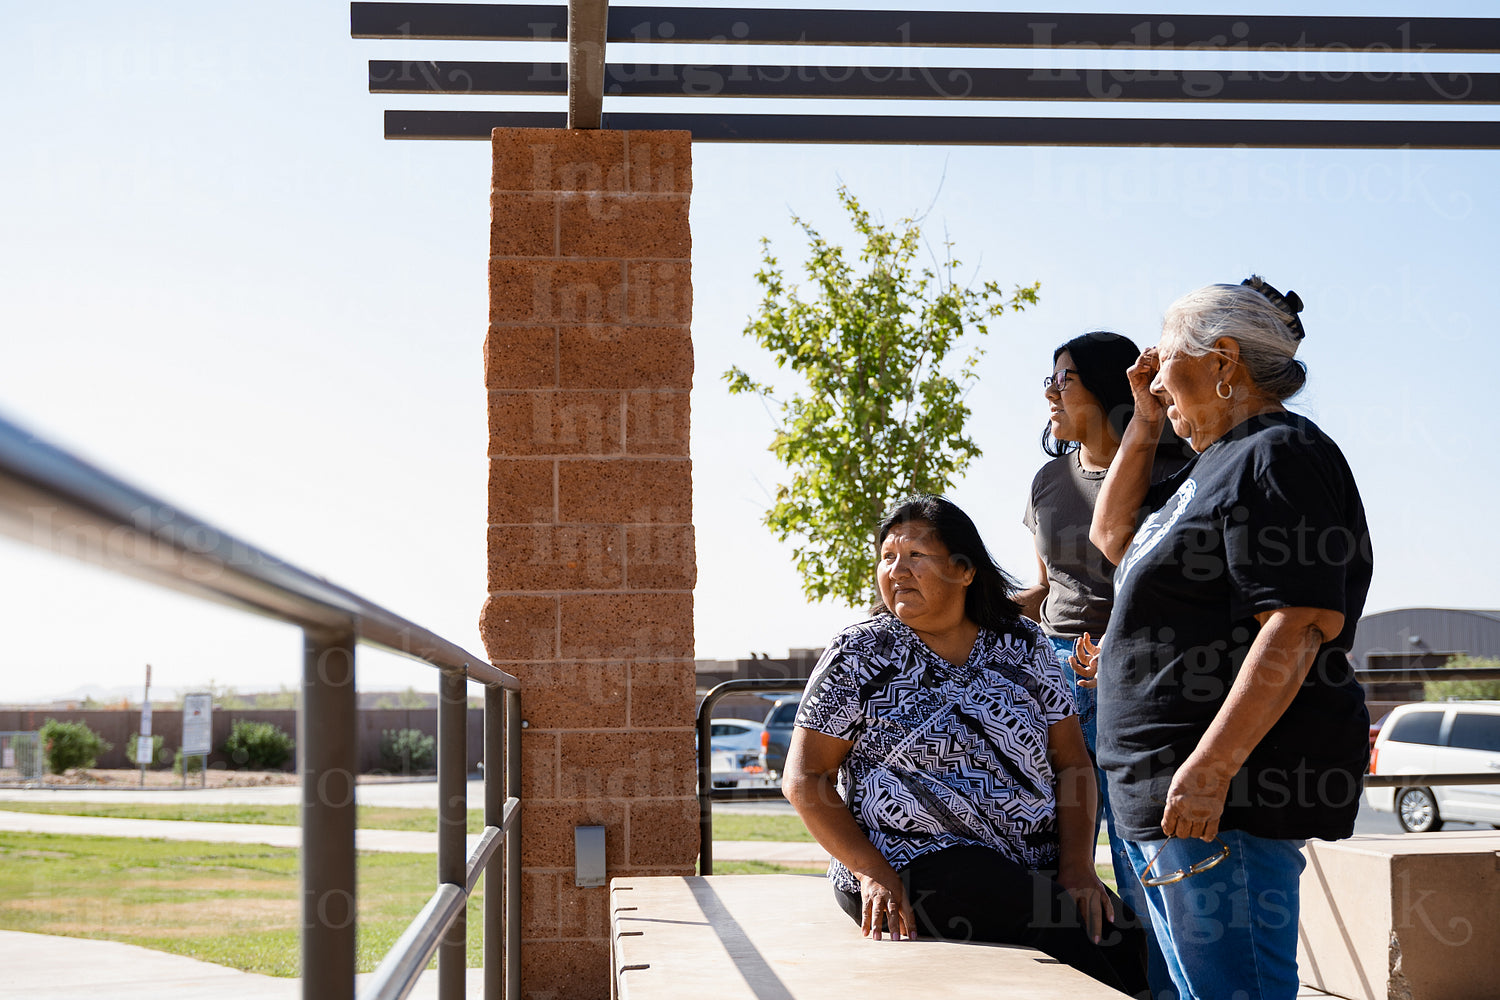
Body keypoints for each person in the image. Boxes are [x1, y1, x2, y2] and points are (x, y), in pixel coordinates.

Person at [1089, 277, 1372, 1000]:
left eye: (1167, 362)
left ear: (1223, 363)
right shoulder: (1208, 466)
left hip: (1222, 802)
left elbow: (1298, 622)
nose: (1153, 378)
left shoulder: (1279, 454)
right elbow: (1114, 537)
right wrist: (1147, 423)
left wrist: (1211, 769)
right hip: (1169, 797)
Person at [784, 494, 1148, 997]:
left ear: (965, 571)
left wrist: (1077, 868)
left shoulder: (1025, 644)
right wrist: (871, 872)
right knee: (1061, 925)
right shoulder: (862, 653)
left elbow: (1072, 765)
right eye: (888, 557)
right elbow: (805, 779)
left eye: (916, 556)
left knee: (1123, 937)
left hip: (1027, 865)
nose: (897, 570)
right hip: (909, 861)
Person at [1019, 330, 1185, 998]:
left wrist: (1120, 647)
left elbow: (1183, 584)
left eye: (1064, 379)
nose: (1051, 392)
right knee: (1059, 850)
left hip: (1137, 675)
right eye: (1050, 380)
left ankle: (1162, 986)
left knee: (1139, 847)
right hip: (1057, 677)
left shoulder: (1171, 466)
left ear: (1104, 388)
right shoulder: (1047, 481)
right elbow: (1044, 588)